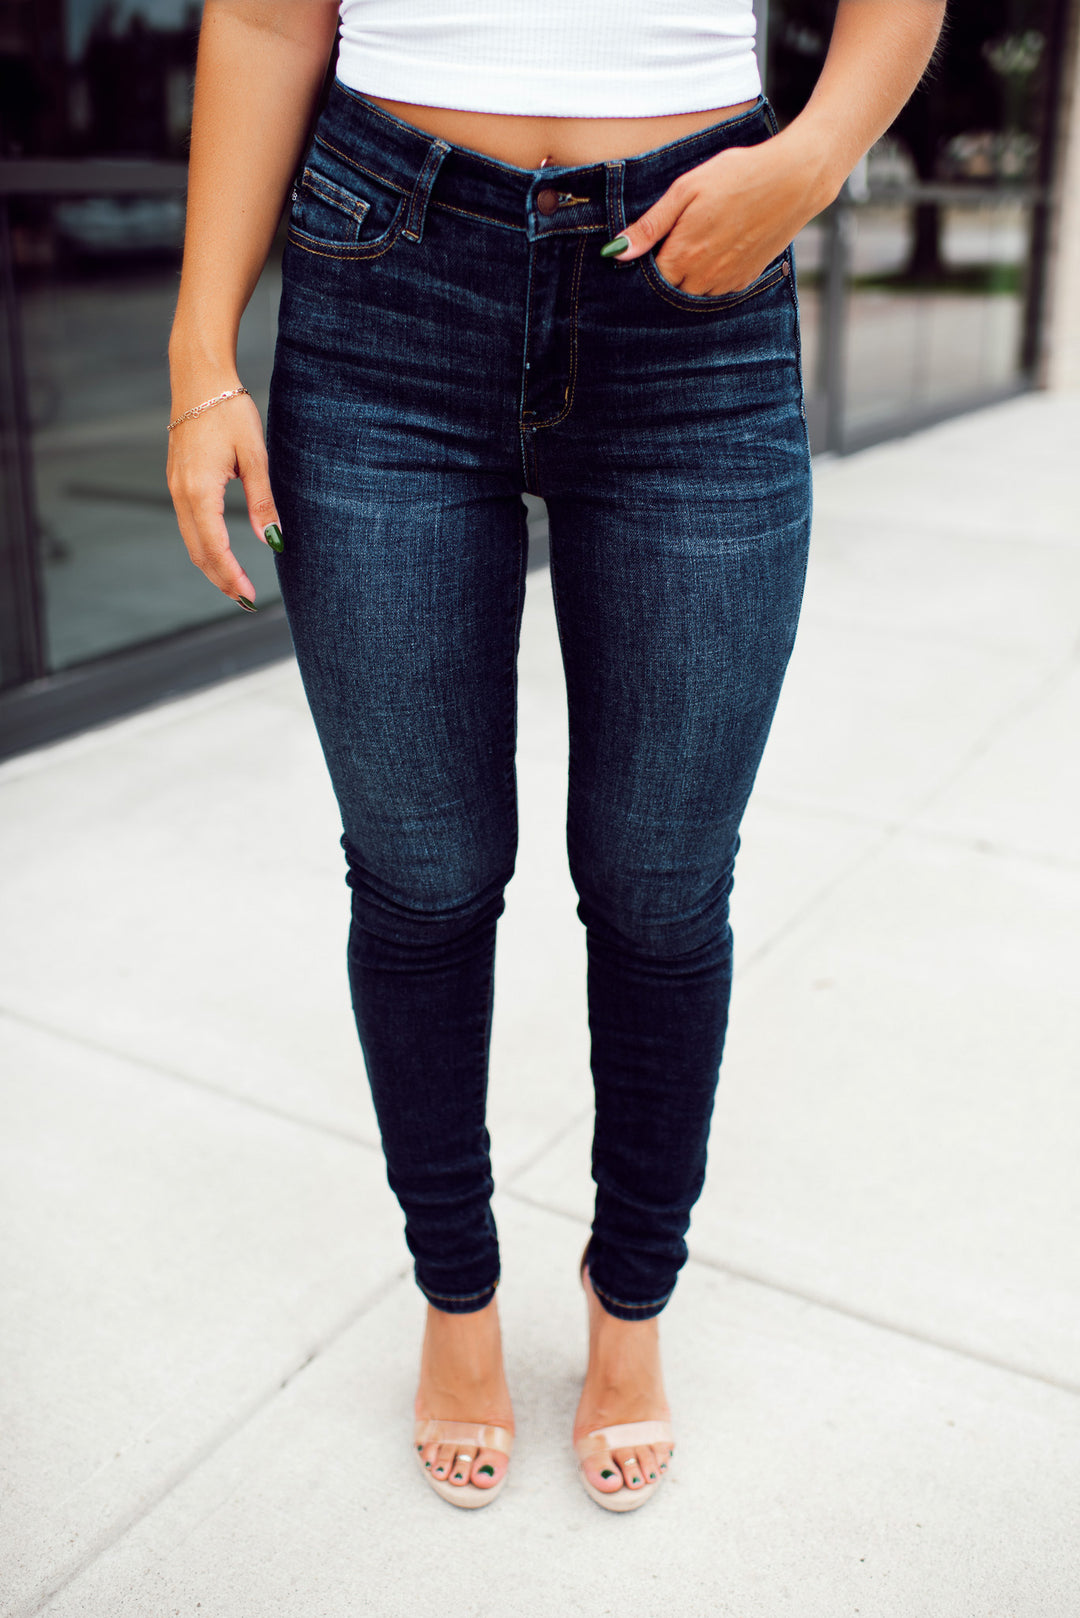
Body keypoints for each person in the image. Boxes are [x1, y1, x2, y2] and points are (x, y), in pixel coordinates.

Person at [167, 0, 945, 1512]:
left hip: (697, 269)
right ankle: (456, 1295)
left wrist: (815, 158)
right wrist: (204, 355)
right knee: (421, 879)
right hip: (384, 273)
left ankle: (628, 1297)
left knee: (661, 889)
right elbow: (264, 14)